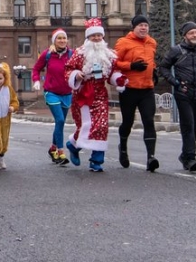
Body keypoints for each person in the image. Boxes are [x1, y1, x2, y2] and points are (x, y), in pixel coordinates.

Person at [64, 18, 128, 172]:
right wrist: (76, 74)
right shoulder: (80, 54)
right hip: (83, 94)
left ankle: (96, 161)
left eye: (99, 35)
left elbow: (113, 73)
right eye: (94, 36)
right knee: (87, 126)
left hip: (100, 94)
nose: (97, 38)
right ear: (88, 37)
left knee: (101, 126)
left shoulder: (109, 54)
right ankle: (73, 145)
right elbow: (67, 70)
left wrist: (118, 79)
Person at [157, 21, 196, 172]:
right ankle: (191, 158)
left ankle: (185, 155)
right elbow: (163, 67)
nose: (195, 35)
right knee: (188, 125)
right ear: (185, 35)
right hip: (183, 93)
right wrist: (175, 83)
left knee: (195, 127)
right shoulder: (176, 51)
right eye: (191, 33)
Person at [114, 15, 160, 172]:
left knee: (149, 120)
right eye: (140, 25)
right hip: (129, 89)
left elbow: (151, 61)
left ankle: (151, 157)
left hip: (147, 88)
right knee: (128, 122)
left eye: (146, 25)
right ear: (133, 27)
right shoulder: (123, 43)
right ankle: (123, 148)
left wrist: (154, 71)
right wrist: (131, 65)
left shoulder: (152, 42)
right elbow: (115, 63)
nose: (143, 28)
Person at [32, 29, 73, 166]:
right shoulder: (48, 54)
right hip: (51, 92)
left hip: (67, 93)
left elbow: (79, 69)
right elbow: (36, 68)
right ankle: (61, 152)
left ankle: (52, 149)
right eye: (59, 38)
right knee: (60, 120)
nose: (62, 40)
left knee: (59, 123)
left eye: (64, 38)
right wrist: (36, 80)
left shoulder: (72, 54)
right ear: (54, 40)